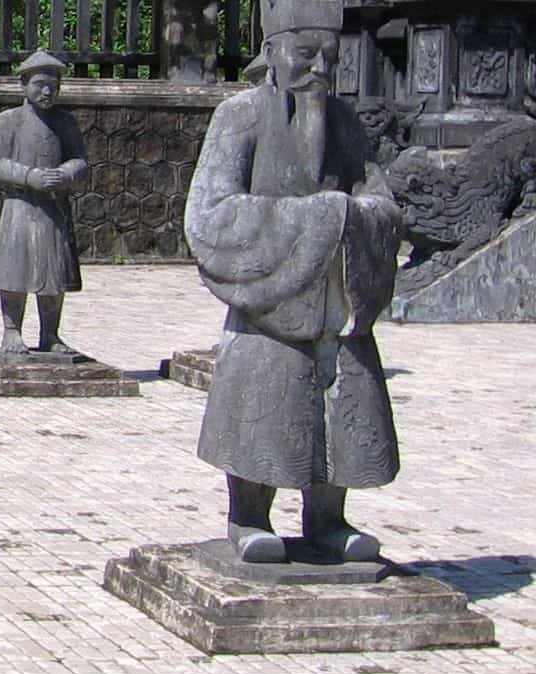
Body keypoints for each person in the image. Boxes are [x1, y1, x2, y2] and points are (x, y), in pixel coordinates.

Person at [183, 0, 403, 563]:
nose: (321, 69)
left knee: (341, 403)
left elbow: (379, 199)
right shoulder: (239, 117)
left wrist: (358, 217)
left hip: (334, 296)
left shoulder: (346, 125)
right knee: (266, 400)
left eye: (330, 57)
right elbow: (209, 212)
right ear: (273, 53)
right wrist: (318, 218)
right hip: (269, 302)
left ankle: (328, 518)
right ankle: (248, 517)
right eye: (306, 55)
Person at [0, 50, 89, 353]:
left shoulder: (65, 122)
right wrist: (29, 176)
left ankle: (50, 334)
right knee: (14, 270)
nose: (46, 91)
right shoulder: (9, 121)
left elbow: (80, 160)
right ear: (23, 86)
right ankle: (11, 330)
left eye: (53, 86)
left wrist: (64, 174)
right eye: (40, 84)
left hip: (53, 207)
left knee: (53, 273)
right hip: (20, 205)